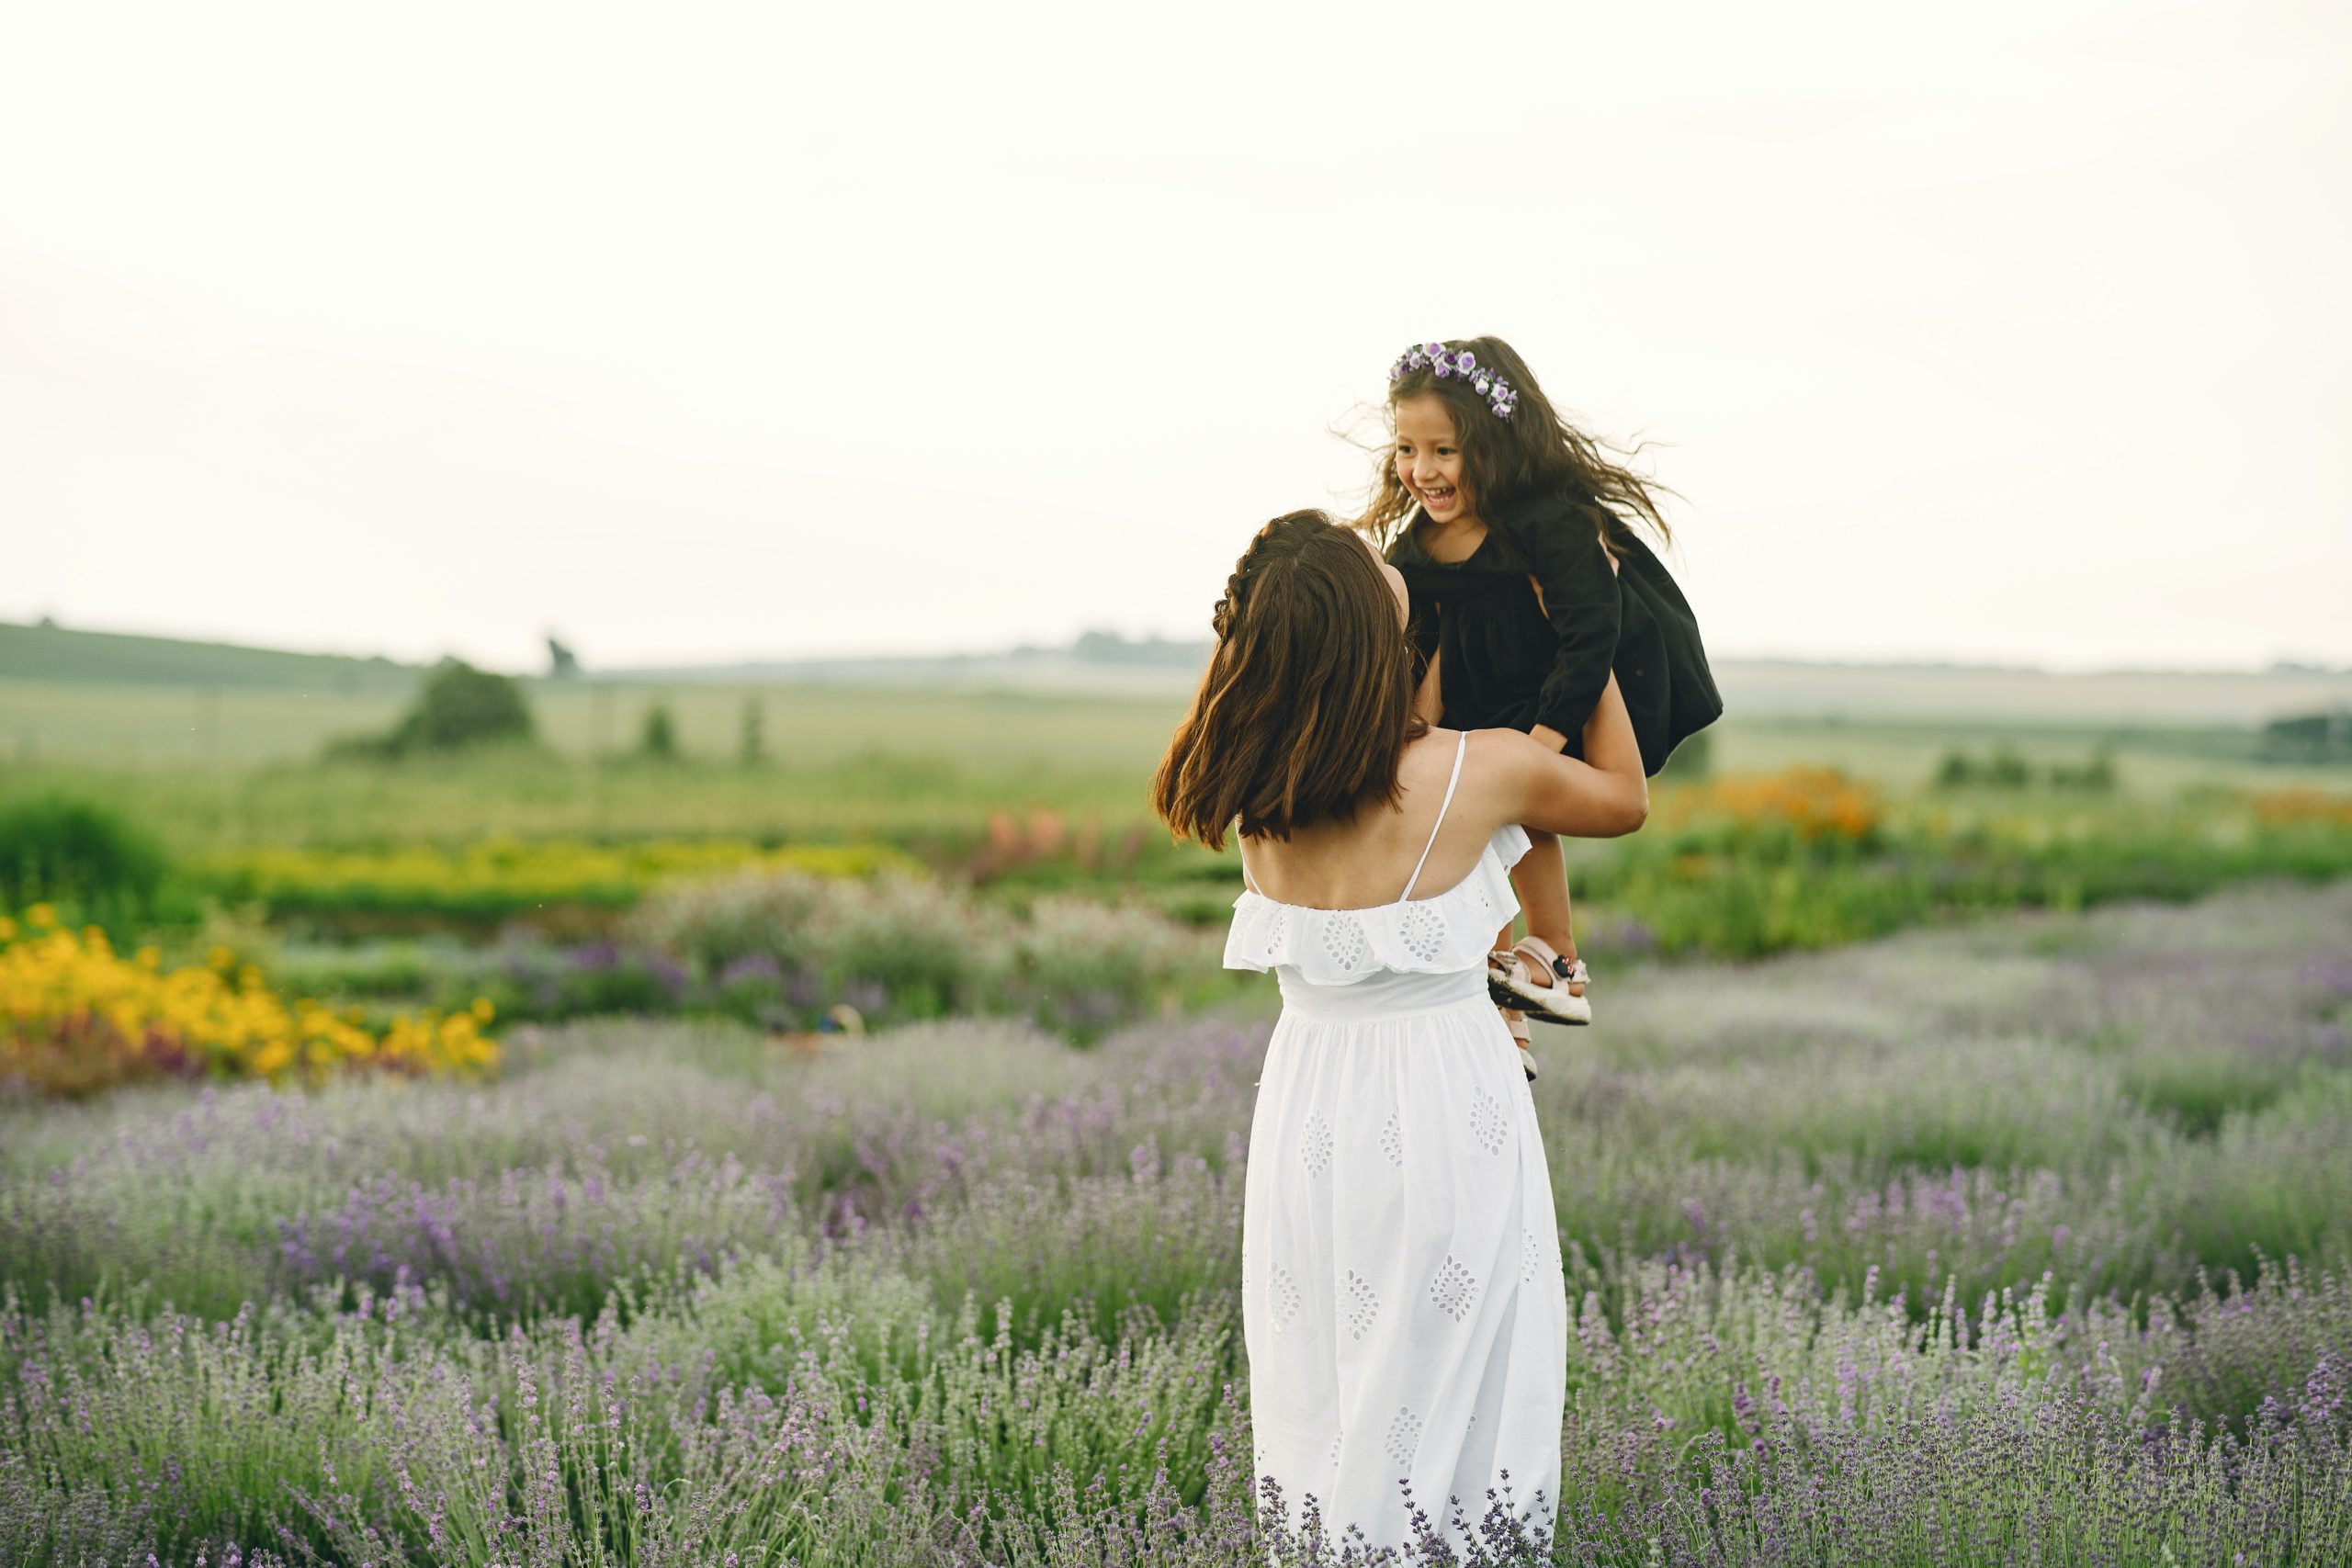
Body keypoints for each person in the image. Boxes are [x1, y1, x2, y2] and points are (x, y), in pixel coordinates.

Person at [1149, 510, 1647, 1554]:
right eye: (1382, 570)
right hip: (1439, 1102)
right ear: (1369, 631)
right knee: (1454, 1387)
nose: (1397, 560)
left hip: (1311, 1114)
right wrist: (1582, 644)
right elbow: (1620, 800)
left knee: (1333, 1381)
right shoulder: (1475, 772)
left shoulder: (1252, 785)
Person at [1364, 336, 1720, 1056]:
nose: (1420, 471)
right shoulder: (1415, 549)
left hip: (1573, 691)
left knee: (1515, 808)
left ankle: (1556, 951)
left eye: (1443, 451)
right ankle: (1501, 997)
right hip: (1478, 706)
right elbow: (1415, 643)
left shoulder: (1549, 527)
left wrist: (1545, 743)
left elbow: (1592, 632)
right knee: (1477, 823)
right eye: (1408, 449)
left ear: (1490, 443)